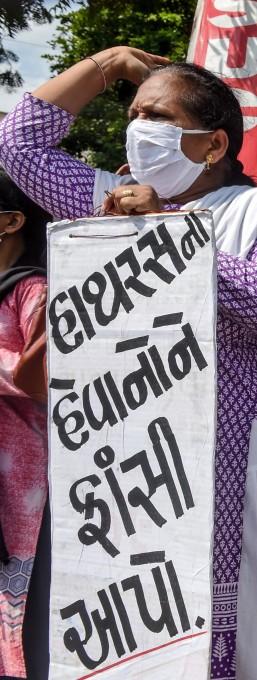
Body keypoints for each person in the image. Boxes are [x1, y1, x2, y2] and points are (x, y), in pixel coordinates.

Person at [0, 48, 257, 680]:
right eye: (132, 114)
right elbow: (19, 145)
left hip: (239, 459)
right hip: (137, 464)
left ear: (213, 145)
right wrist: (108, 67)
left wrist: (166, 228)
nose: (136, 129)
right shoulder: (106, 201)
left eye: (155, 115)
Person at [0, 171, 50, 680]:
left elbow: (48, 380)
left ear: (12, 221)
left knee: (24, 599)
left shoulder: (36, 289)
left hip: (23, 480)